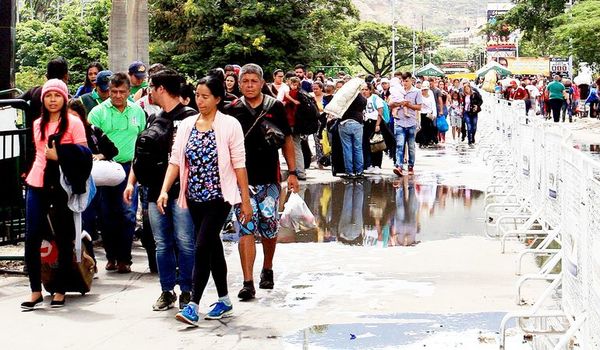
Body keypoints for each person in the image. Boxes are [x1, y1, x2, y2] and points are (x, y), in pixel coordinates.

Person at [156, 75, 252, 325]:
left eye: (206, 96)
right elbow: (175, 160)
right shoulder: (187, 124)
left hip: (220, 197)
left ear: (218, 99)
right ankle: (224, 300)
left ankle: (193, 305)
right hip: (194, 197)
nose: (200, 100)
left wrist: (245, 200)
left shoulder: (230, 125)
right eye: (197, 95)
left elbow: (239, 164)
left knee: (201, 247)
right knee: (212, 247)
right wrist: (165, 189)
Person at [223, 63, 299, 301]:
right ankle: (248, 282)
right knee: (245, 227)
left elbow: (287, 139)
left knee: (268, 226)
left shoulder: (274, 106)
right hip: (241, 181)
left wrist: (293, 172)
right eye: (244, 81)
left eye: (253, 81)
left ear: (261, 82)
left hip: (269, 178)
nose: (248, 85)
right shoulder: (232, 109)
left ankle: (267, 267)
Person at [124, 69, 198, 311]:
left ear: (161, 89)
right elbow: (141, 156)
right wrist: (131, 182)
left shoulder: (191, 119)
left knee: (185, 242)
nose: (148, 92)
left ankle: (187, 290)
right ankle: (167, 291)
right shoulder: (155, 118)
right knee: (161, 243)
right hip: (154, 192)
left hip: (181, 194)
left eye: (151, 87)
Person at [21, 79, 88, 310]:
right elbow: (38, 153)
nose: (52, 100)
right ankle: (35, 290)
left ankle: (60, 289)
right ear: (43, 99)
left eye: (57, 96)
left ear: (64, 98)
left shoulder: (75, 123)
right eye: (48, 96)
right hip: (37, 182)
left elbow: (84, 154)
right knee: (32, 236)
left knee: (63, 235)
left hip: (62, 185)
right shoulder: (37, 123)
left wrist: (60, 155)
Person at [88, 72, 146, 273]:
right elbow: (91, 142)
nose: (118, 96)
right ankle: (111, 256)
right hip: (106, 170)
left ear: (129, 92)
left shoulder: (137, 112)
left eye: (122, 92)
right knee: (106, 214)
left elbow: (142, 139)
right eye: (114, 92)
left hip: (129, 168)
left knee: (128, 213)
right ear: (108, 91)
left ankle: (124, 258)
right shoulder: (97, 113)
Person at [389, 72, 422, 177]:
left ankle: (411, 165)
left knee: (411, 146)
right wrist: (398, 104)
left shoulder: (417, 91)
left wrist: (409, 105)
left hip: (411, 122)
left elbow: (419, 107)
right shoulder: (397, 90)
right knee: (399, 145)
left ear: (411, 80)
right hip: (399, 122)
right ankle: (399, 165)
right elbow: (390, 104)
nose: (405, 83)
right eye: (403, 81)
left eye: (406, 81)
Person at [338, 91, 367, 178]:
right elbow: (364, 104)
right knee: (358, 148)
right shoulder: (361, 98)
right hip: (357, 123)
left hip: (344, 122)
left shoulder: (344, 96)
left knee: (347, 148)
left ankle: (349, 172)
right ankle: (359, 171)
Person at [361, 83, 385, 174]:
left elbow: (380, 111)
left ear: (370, 90)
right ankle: (369, 164)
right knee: (367, 145)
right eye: (363, 89)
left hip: (374, 122)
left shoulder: (375, 98)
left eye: (366, 90)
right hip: (365, 123)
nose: (364, 91)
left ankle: (377, 165)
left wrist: (378, 124)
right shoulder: (362, 99)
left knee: (377, 144)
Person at [418, 81, 438, 147]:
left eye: (426, 89)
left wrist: (434, 114)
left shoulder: (431, 94)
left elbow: (433, 104)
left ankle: (429, 141)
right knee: (423, 128)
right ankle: (423, 142)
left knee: (431, 127)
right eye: (423, 89)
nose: (424, 91)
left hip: (429, 114)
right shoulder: (419, 95)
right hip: (422, 114)